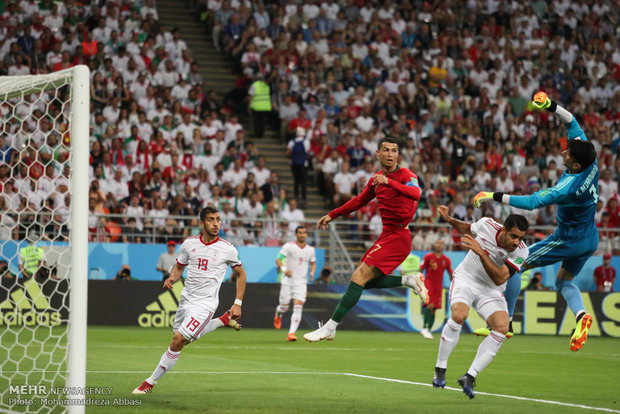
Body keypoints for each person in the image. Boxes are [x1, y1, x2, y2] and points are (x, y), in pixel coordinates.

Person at [474, 92, 599, 352]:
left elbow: (531, 202)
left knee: (514, 264)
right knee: (564, 281)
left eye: (567, 152)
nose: (563, 150)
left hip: (568, 239)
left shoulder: (567, 187)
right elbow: (572, 121)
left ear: (575, 166)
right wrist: (550, 105)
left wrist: (492, 195)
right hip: (590, 238)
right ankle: (581, 316)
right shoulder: (589, 158)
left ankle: (505, 323)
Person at [303, 137, 428, 342]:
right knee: (361, 281)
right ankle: (410, 280)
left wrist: (390, 182)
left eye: (394, 151)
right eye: (386, 150)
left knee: (358, 279)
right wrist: (332, 214)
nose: (390, 154)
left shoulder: (406, 175)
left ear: (398, 155)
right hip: (387, 235)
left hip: (399, 236)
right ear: (377, 153)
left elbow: (416, 193)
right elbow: (359, 201)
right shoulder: (375, 179)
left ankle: (330, 327)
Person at [133, 206, 247, 394]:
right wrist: (172, 277)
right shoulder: (189, 244)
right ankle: (222, 321)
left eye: (218, 219)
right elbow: (179, 268)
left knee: (178, 341)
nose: (216, 223)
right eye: (211, 219)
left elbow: (241, 274)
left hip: (206, 303)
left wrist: (238, 303)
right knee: (181, 339)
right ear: (202, 223)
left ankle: (150, 382)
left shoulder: (228, 249)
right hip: (186, 299)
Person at [432, 205, 529, 399]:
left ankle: (469, 376)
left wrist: (480, 251)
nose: (517, 242)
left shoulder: (521, 252)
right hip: (466, 279)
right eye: (513, 236)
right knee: (459, 315)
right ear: (503, 230)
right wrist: (450, 219)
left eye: (521, 238)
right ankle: (440, 368)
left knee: (502, 327)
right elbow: (468, 229)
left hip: (491, 289)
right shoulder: (486, 224)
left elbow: (500, 279)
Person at [273, 226, 316, 342]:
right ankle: (278, 314)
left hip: (301, 282)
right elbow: (278, 259)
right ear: (296, 235)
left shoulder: (311, 250)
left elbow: (312, 263)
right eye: (300, 233)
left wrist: (312, 272)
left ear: (306, 235)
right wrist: (284, 269)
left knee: (298, 307)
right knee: (284, 307)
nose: (302, 235)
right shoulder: (289, 246)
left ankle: (291, 334)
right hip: (287, 281)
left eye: (304, 233)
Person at [419, 239, 453, 339]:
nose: (439, 245)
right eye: (437, 243)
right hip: (429, 283)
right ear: (434, 245)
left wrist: (454, 284)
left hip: (439, 286)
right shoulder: (428, 257)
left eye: (441, 243)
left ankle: (428, 330)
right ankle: (425, 328)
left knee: (434, 309)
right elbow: (421, 269)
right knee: (430, 305)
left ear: (443, 246)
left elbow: (450, 273)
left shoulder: (446, 260)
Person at [248, 73, 272, 138]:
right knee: (262, 122)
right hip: (265, 106)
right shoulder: (266, 85)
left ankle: (257, 134)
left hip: (256, 106)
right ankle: (261, 135)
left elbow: (251, 96)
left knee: (256, 121)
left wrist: (249, 106)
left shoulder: (254, 85)